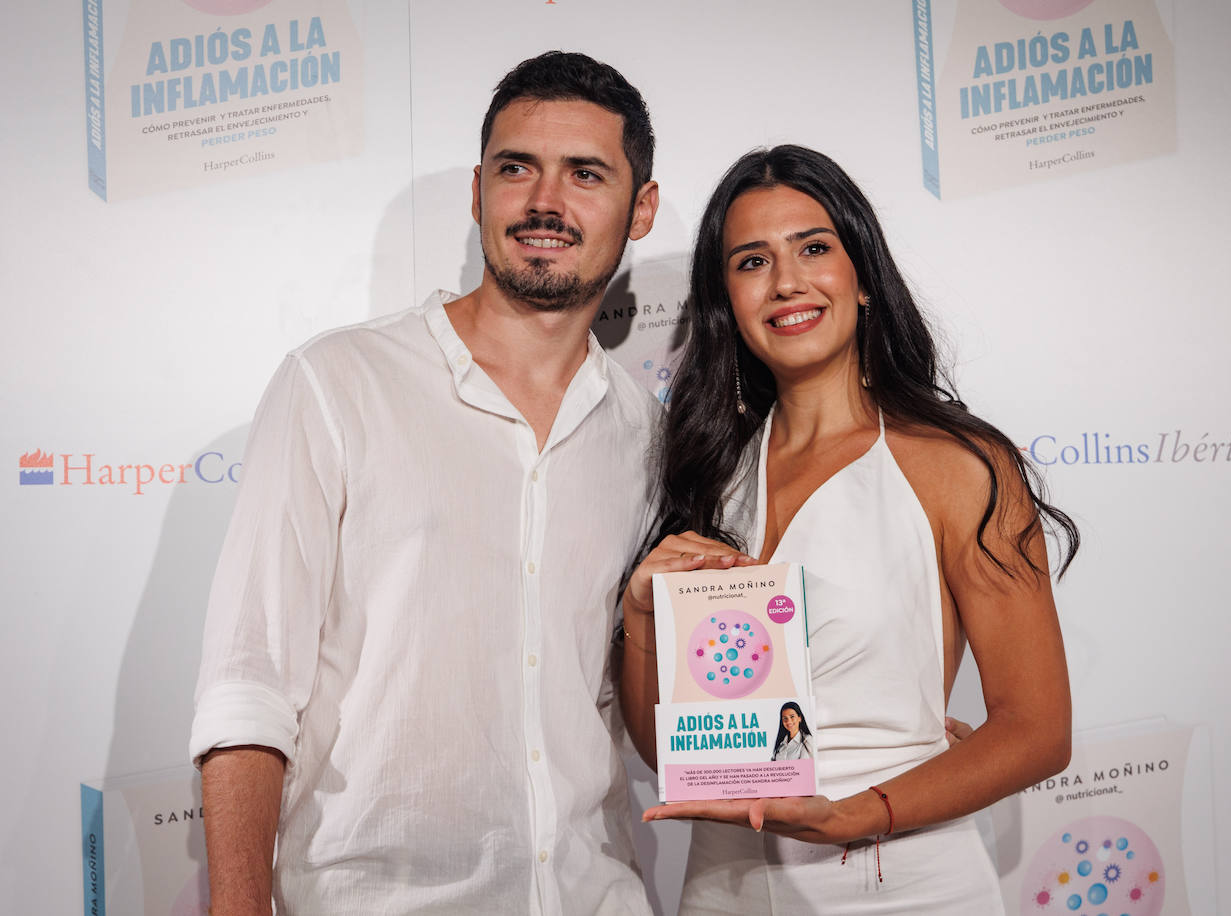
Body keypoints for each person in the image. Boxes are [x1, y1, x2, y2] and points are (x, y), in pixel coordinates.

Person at [189, 51, 669, 915]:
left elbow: (634, 706)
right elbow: (248, 682)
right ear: (477, 191)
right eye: (515, 168)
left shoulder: (647, 437)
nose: (544, 203)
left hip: (595, 896)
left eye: (585, 175)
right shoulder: (337, 384)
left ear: (642, 211)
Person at [619, 145, 1079, 913]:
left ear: (862, 277)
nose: (788, 281)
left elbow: (1037, 731)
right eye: (752, 261)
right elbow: (667, 752)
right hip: (724, 886)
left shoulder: (956, 465)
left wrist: (855, 815)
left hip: (901, 881)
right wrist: (641, 614)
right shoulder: (708, 472)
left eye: (814, 248)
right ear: (724, 299)